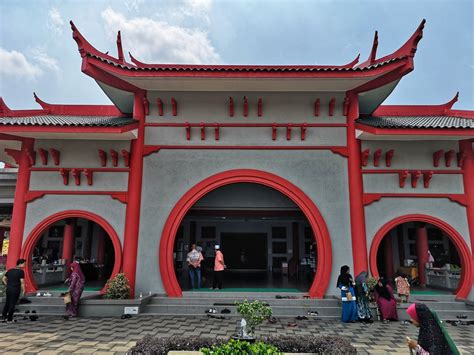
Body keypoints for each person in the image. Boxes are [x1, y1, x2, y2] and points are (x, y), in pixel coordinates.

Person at [2, 259, 26, 323]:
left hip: (9, 288)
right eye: (24, 264)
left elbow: (3, 279)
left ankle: (4, 317)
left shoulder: (10, 270)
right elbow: (22, 282)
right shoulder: (21, 272)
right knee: (12, 303)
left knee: (7, 303)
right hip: (15, 289)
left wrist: (7, 284)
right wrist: (24, 290)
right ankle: (9, 319)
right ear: (20, 264)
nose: (24, 265)